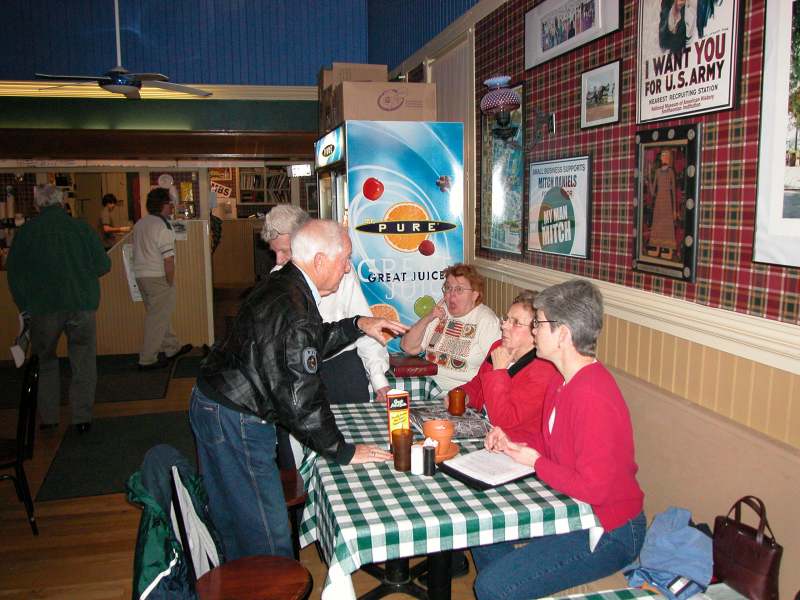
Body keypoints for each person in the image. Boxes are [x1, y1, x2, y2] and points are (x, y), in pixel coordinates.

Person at [189, 219, 407, 560]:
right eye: (345, 258)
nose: (348, 268)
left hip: (216, 402)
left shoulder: (285, 284)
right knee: (265, 529)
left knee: (232, 516)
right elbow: (300, 399)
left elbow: (308, 341)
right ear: (320, 261)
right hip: (235, 417)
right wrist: (343, 451)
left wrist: (356, 324)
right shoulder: (294, 306)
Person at [473, 279, 646, 600]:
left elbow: (595, 488)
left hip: (611, 528)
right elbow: (552, 440)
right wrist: (516, 444)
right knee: (485, 536)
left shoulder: (593, 395)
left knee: (491, 586)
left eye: (539, 323)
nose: (534, 330)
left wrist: (535, 461)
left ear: (563, 333)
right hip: (574, 507)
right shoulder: (563, 380)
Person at [6, 184, 111, 433]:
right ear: (62, 201)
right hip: (81, 303)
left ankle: (50, 417)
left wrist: (25, 306)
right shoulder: (81, 228)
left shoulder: (27, 232)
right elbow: (103, 265)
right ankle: (82, 417)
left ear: (37, 205)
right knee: (83, 360)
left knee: (46, 361)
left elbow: (15, 273)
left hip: (44, 306)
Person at [261, 205, 391, 404]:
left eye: (285, 251)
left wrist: (379, 379)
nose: (278, 260)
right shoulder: (277, 277)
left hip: (341, 371)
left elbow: (364, 326)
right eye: (275, 251)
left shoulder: (341, 271)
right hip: (297, 372)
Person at [459, 290, 556, 449]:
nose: (504, 326)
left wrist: (499, 372)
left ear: (536, 331)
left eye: (516, 322)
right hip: (481, 426)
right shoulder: (498, 347)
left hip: (510, 443)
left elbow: (504, 421)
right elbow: (478, 384)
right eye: (506, 319)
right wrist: (462, 395)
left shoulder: (543, 370)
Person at [401, 263, 500, 393]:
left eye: (459, 289)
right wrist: (428, 317)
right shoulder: (441, 311)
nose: (451, 295)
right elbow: (408, 347)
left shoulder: (486, 320)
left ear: (475, 295)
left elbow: (498, 365)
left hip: (461, 393)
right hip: (427, 387)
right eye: (448, 288)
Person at [132, 187, 191, 370]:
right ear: (163, 205)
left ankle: (172, 347)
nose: (172, 207)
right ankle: (147, 359)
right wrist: (170, 281)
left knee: (158, 315)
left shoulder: (140, 223)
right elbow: (168, 259)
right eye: (170, 203)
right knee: (156, 319)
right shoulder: (163, 225)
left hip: (141, 275)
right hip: (157, 276)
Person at [647, 149, 679, 260]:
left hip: (667, 202)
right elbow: (652, 192)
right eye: (662, 156)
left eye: (665, 156)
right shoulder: (657, 172)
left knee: (667, 226)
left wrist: (675, 210)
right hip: (659, 202)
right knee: (657, 225)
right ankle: (657, 248)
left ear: (669, 158)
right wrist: (648, 177)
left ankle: (669, 250)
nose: (663, 158)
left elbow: (674, 192)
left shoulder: (670, 172)